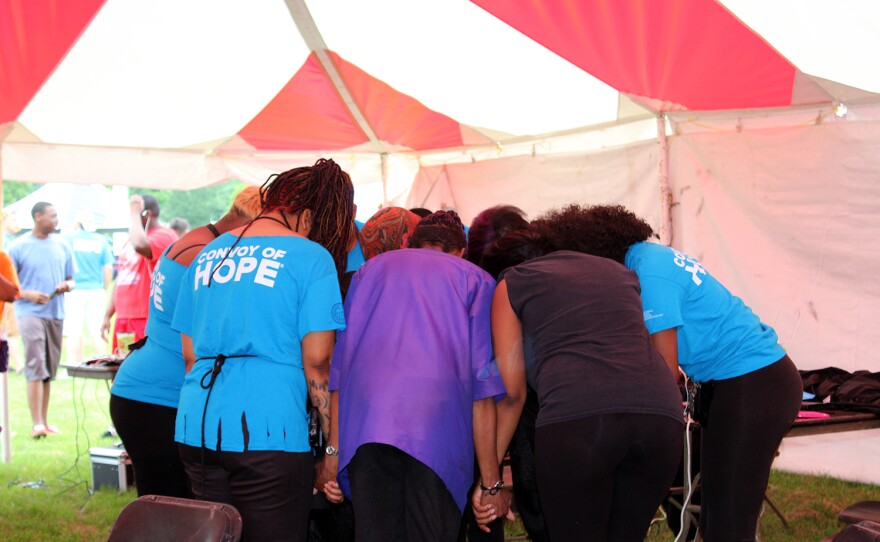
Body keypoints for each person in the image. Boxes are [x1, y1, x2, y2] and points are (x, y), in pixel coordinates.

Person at [533, 204, 802, 541]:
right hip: (747, 381)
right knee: (717, 518)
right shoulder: (648, 258)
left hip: (753, 383)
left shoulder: (647, 271)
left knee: (728, 525)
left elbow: (664, 367)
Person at [172, 158, 355, 542]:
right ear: (306, 215)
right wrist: (332, 448)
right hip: (270, 432)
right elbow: (318, 361)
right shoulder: (311, 257)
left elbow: (190, 355)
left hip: (196, 425)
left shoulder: (208, 251)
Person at [476, 226, 684, 541]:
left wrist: (489, 482)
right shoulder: (617, 271)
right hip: (660, 418)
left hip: (579, 420)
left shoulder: (510, 284)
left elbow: (513, 395)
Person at [324, 211, 507, 542]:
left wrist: (332, 453)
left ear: (411, 242)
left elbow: (340, 374)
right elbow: (482, 391)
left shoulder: (367, 272)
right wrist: (491, 483)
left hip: (367, 429)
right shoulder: (476, 279)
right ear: (461, 250)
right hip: (438, 435)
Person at [109, 187, 261, 498]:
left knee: (163, 507)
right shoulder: (210, 253)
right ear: (251, 219)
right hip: (160, 398)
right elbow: (205, 345)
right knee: (175, 510)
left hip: (143, 390)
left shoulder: (194, 240)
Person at [9, 202, 75, 438]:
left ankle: (44, 421)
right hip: (29, 314)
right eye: (53, 215)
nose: (57, 220)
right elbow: (8, 286)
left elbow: (72, 279)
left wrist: (67, 285)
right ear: (38, 217)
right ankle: (36, 423)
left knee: (49, 369)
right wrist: (27, 294)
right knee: (36, 364)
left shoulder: (62, 245)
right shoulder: (18, 246)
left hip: (55, 313)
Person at [102, 195, 178, 352]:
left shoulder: (164, 235)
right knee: (122, 366)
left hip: (145, 318)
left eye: (133, 215)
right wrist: (107, 315)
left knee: (142, 371)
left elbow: (141, 246)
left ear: (147, 214)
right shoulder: (130, 241)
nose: (131, 220)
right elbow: (121, 279)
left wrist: (135, 214)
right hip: (125, 318)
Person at [63, 210, 114, 362]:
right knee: (98, 328)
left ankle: (74, 363)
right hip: (96, 289)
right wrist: (104, 287)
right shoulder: (101, 240)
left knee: (74, 329)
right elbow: (108, 268)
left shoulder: (67, 239)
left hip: (74, 290)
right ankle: (102, 361)